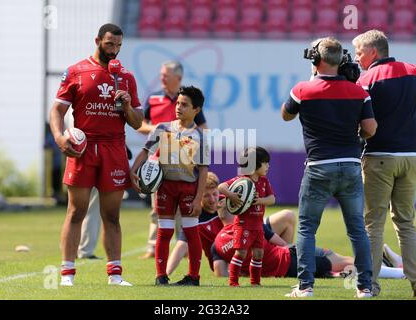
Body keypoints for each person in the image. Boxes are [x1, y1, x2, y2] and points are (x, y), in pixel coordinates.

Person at [281, 37, 378, 298]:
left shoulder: (302, 90)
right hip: (350, 165)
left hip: (318, 167)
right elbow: (370, 129)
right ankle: (365, 287)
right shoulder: (359, 91)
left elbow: (286, 114)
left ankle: (305, 287)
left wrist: (311, 81)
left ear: (316, 60)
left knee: (306, 228)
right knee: (356, 228)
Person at [49, 23, 143, 286]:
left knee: (112, 215)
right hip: (84, 149)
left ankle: (115, 275)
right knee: (75, 211)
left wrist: (126, 105)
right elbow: (57, 111)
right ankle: (67, 274)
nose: (114, 51)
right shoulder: (76, 71)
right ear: (98, 41)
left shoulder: (126, 78)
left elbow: (137, 122)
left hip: (114, 149)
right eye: (110, 44)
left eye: (119, 46)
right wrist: (59, 137)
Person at [352, 29, 416, 298]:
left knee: (373, 223)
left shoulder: (366, 78)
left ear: (373, 52)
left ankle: (369, 285)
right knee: (406, 221)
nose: (357, 58)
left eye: (360, 52)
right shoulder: (412, 70)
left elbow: (358, 117)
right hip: (413, 156)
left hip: (380, 155)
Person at [131, 85, 209, 286]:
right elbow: (145, 151)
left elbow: (202, 171)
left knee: (191, 232)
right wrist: (133, 170)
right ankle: (160, 276)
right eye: (178, 103)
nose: (179, 107)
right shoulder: (163, 128)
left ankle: (193, 277)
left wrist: (199, 198)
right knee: (164, 231)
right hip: (165, 187)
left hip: (188, 189)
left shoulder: (200, 137)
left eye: (185, 105)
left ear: (196, 110)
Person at [165, 171, 296, 276]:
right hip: (223, 257)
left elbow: (254, 221)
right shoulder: (194, 218)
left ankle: (284, 264)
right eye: (206, 196)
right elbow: (180, 248)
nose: (212, 200)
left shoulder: (228, 202)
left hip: (246, 242)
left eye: (215, 194)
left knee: (287, 216)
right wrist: (165, 274)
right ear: (199, 196)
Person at [211, 224, 407, 280]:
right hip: (292, 258)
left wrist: (245, 270)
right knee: (343, 264)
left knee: (343, 263)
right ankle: (396, 269)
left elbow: (221, 273)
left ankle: (391, 266)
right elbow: (281, 244)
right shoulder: (254, 224)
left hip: (293, 259)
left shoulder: (218, 243)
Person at [218, 147, 276, 287]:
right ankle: (233, 282)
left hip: (258, 226)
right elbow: (221, 187)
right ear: (255, 164)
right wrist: (232, 195)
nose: (268, 166)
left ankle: (255, 282)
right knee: (241, 253)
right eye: (265, 163)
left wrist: (259, 200)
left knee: (258, 253)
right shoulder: (241, 181)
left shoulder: (264, 181)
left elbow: (272, 199)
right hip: (243, 225)